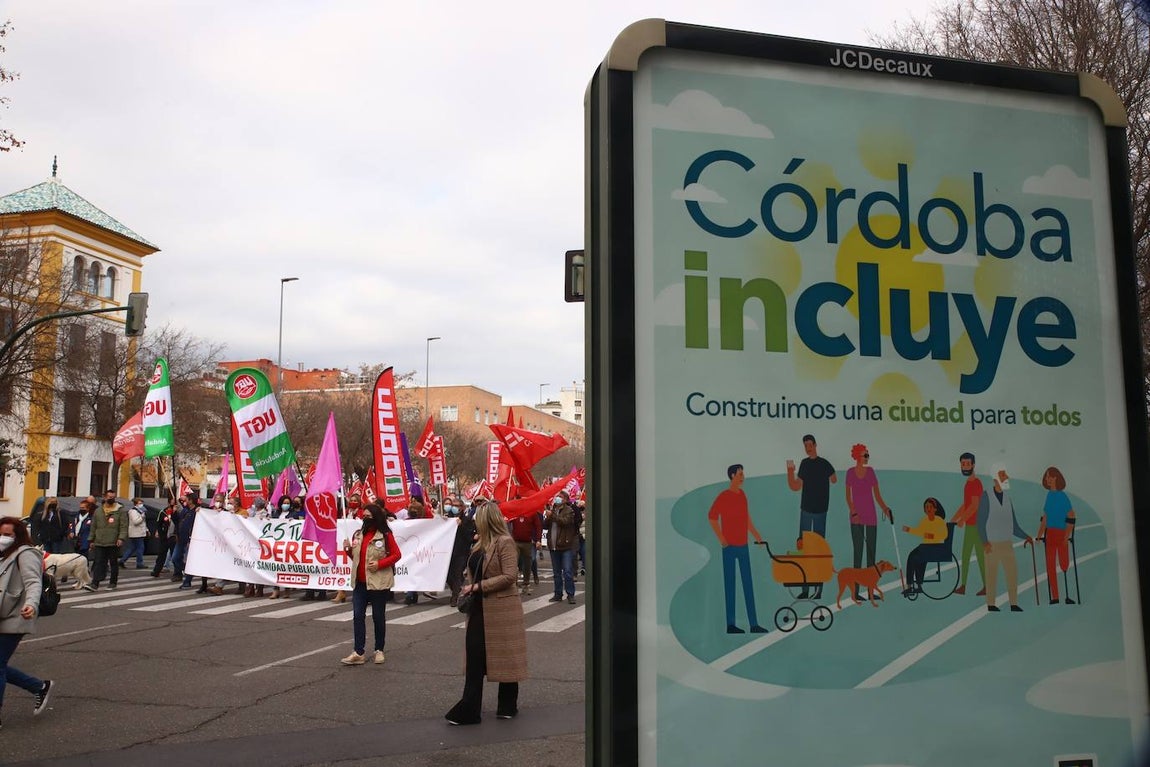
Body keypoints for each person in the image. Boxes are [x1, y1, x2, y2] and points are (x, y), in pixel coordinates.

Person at [445, 501, 528, 725]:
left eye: (477, 519)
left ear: (487, 520)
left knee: (506, 656)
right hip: (479, 608)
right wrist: (468, 579)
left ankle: (507, 705)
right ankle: (469, 708)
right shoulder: (479, 543)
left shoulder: (505, 543)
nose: (474, 523)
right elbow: (475, 569)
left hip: (502, 607)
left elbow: (510, 576)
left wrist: (478, 586)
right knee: (474, 657)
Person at [0, 516, 54, 730]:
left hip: (17, 614)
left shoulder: (26, 553)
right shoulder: (3, 555)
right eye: (1, 534)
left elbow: (33, 582)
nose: (3, 538)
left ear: (18, 536)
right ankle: (39, 686)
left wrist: (31, 605)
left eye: (8, 535)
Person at [707, 464, 768, 634]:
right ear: (732, 475)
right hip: (729, 547)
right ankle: (731, 625)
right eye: (740, 474)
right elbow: (712, 517)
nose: (743, 477)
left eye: (743, 474)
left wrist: (757, 536)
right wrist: (722, 539)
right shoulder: (724, 496)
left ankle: (754, 623)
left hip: (743, 546)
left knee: (748, 584)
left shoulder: (742, 496)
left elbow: (747, 519)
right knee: (730, 584)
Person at [340, 503, 401, 666]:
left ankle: (379, 650)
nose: (365, 519)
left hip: (378, 582)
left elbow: (396, 555)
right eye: (364, 516)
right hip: (360, 583)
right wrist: (347, 550)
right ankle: (358, 652)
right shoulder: (359, 535)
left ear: (376, 518)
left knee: (378, 616)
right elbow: (357, 559)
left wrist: (380, 564)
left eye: (368, 516)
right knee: (358, 615)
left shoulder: (385, 535)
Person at [786, 434, 837, 598]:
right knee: (804, 548)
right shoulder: (804, 464)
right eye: (805, 445)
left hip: (821, 511)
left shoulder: (824, 463)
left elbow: (834, 479)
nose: (807, 448)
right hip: (806, 510)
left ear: (815, 445)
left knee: (819, 549)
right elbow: (795, 486)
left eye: (809, 444)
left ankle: (818, 589)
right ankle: (805, 589)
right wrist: (790, 471)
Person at [977, 467, 1033, 612]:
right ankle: (991, 604)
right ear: (995, 478)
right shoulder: (986, 496)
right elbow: (980, 521)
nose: (1006, 478)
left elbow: (1014, 525)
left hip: (1007, 544)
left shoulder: (1008, 499)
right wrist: (984, 542)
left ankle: (1013, 603)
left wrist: (1027, 536)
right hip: (991, 544)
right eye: (1003, 476)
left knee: (1012, 573)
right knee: (991, 574)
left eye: (1006, 476)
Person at [844, 444, 893, 600]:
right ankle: (855, 592)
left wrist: (886, 509)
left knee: (871, 556)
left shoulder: (870, 472)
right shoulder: (850, 473)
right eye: (865, 455)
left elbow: (877, 495)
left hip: (871, 516)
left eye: (867, 455)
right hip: (856, 517)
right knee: (857, 553)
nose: (867, 458)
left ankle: (870, 592)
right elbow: (848, 497)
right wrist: (854, 511)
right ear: (857, 456)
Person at [1037, 466, 1076, 605]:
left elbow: (1071, 516)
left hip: (1061, 533)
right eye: (1046, 477)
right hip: (1050, 535)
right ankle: (1055, 596)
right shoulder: (1049, 496)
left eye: (1049, 476)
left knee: (1064, 563)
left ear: (1056, 478)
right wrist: (1039, 534)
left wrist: (1066, 536)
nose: (1047, 479)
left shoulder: (1062, 496)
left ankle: (1068, 595)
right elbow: (1046, 517)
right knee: (1050, 565)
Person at [952, 452, 987, 596]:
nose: (964, 466)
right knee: (965, 556)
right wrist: (954, 518)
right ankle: (964, 586)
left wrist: (962, 520)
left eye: (967, 464)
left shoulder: (976, 483)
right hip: (970, 526)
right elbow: (965, 505)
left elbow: (974, 506)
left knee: (980, 556)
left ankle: (986, 586)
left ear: (973, 465)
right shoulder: (968, 483)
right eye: (962, 464)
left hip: (977, 526)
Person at [901, 498, 949, 596]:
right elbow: (920, 532)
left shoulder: (939, 521)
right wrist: (909, 530)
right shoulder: (924, 520)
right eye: (926, 507)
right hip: (925, 546)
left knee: (915, 558)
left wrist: (931, 536)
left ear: (935, 509)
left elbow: (944, 535)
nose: (928, 509)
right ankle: (914, 585)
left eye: (930, 507)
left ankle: (914, 585)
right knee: (913, 556)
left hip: (935, 547)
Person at [88, 489, 128, 592]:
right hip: (100, 540)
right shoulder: (98, 511)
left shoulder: (120, 510)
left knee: (113, 562)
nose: (111, 499)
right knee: (99, 562)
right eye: (109, 497)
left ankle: (113, 582)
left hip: (113, 541)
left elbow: (124, 526)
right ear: (105, 497)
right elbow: (93, 526)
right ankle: (95, 583)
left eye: (113, 497)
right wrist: (91, 539)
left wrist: (121, 538)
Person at [545, 491, 579, 604]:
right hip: (553, 546)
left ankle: (570, 594)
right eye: (557, 497)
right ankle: (558, 594)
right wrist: (548, 516)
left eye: (560, 497)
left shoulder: (569, 510)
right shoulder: (553, 509)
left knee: (568, 571)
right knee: (556, 573)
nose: (557, 499)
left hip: (565, 546)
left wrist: (552, 515)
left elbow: (564, 522)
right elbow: (545, 526)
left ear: (565, 499)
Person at [508, 505, 542, 596]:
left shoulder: (533, 513)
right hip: (515, 542)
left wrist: (538, 540)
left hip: (528, 543)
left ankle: (526, 584)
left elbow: (538, 526)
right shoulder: (515, 513)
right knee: (513, 562)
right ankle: (513, 584)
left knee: (527, 564)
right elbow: (507, 522)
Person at [119, 498, 148, 569]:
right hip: (136, 533)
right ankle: (139, 563)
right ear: (136, 504)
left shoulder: (140, 511)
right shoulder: (133, 511)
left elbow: (143, 523)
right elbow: (135, 522)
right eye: (140, 503)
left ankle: (122, 560)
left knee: (132, 548)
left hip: (140, 532)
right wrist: (142, 517)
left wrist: (146, 529)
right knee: (140, 548)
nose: (141, 505)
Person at [150, 501, 175, 578]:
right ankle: (156, 570)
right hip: (164, 537)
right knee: (161, 554)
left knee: (175, 555)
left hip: (174, 537)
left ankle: (178, 572)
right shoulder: (163, 512)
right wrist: (161, 534)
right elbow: (158, 524)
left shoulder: (178, 512)